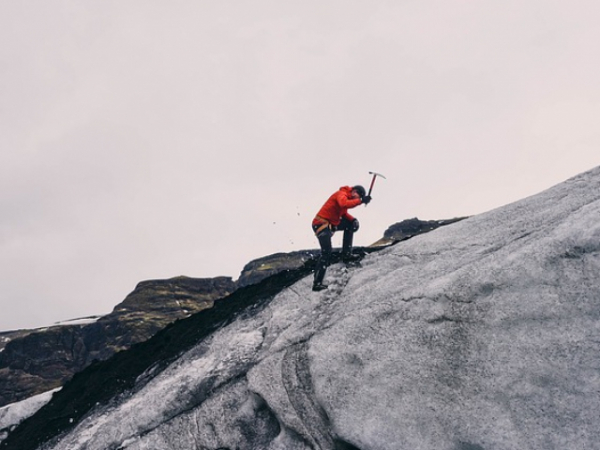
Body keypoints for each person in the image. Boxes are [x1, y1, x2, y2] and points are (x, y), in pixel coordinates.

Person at [311, 185, 372, 291]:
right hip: (321, 224)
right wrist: (361, 200)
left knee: (350, 225)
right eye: (357, 196)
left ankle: (346, 254)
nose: (356, 199)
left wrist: (353, 220)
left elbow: (343, 213)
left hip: (330, 224)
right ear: (354, 191)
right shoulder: (341, 194)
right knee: (326, 252)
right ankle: (317, 283)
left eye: (358, 198)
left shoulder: (346, 197)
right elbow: (343, 203)